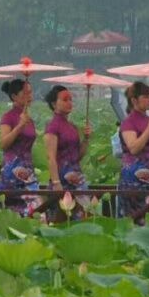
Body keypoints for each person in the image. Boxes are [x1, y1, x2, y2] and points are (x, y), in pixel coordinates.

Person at [43, 85, 94, 214]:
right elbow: (51, 157)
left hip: (77, 180)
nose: (69, 103)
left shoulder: (73, 127)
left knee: (84, 216)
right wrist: (56, 183)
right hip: (61, 181)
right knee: (61, 219)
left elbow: (77, 157)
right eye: (65, 100)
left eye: (71, 99)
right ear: (54, 104)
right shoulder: (52, 127)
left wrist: (86, 139)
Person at [0, 79, 42, 215]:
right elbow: (3, 144)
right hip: (12, 171)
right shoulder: (8, 117)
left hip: (28, 170)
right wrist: (19, 126)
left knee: (35, 211)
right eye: (25, 92)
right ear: (14, 96)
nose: (30, 96)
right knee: (14, 212)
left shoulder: (29, 119)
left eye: (31, 92)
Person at [116, 82, 149, 216]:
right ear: (134, 100)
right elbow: (134, 148)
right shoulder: (128, 122)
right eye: (145, 96)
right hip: (134, 178)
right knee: (134, 218)